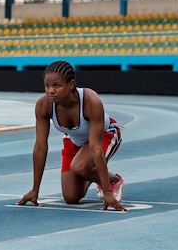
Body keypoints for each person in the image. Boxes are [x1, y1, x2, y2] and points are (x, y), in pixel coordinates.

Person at [17, 60, 127, 211]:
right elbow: (40, 147)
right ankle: (93, 175)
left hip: (105, 135)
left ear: (70, 84)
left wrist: (108, 192)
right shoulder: (44, 105)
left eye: (56, 85)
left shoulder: (90, 101)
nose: (50, 91)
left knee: (79, 167)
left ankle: (113, 180)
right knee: (71, 197)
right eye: (47, 86)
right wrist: (35, 189)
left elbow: (95, 148)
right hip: (73, 140)